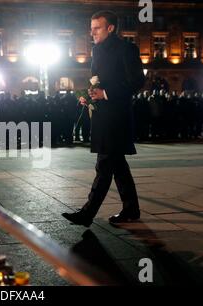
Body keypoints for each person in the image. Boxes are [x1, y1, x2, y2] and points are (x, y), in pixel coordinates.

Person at [62, 11, 145, 226]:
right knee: (118, 166)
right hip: (102, 115)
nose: (92, 33)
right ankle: (131, 209)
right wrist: (89, 95)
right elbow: (96, 81)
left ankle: (87, 214)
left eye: (97, 28)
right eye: (91, 28)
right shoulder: (96, 51)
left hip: (116, 117)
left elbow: (137, 82)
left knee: (104, 165)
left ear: (110, 28)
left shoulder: (127, 49)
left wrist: (106, 94)